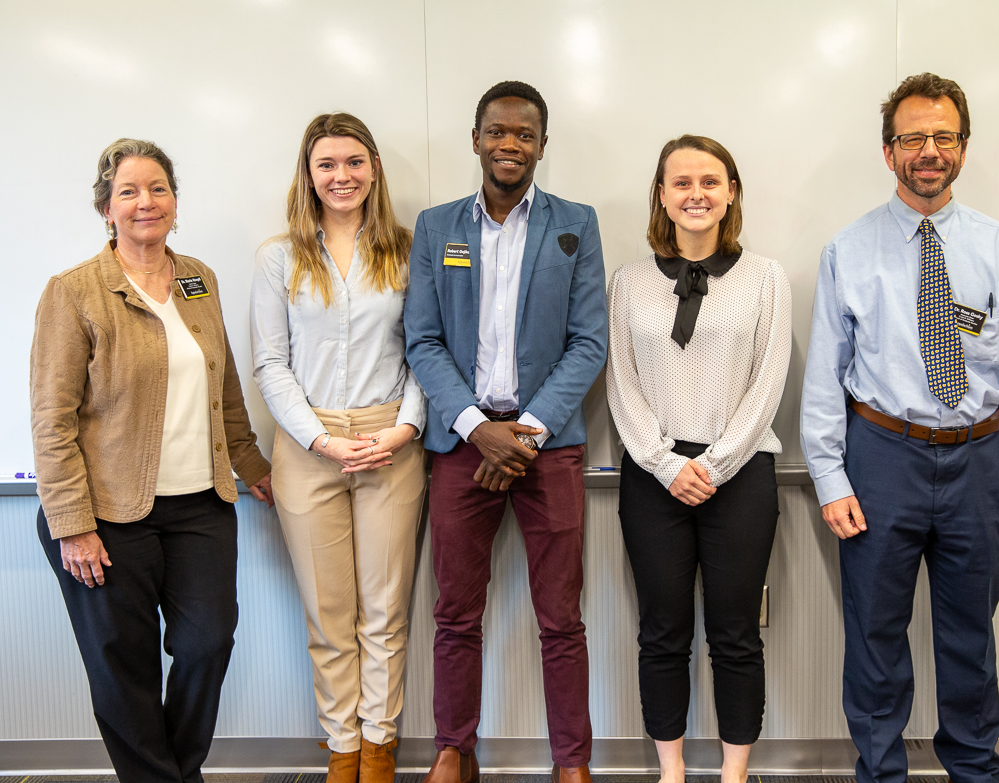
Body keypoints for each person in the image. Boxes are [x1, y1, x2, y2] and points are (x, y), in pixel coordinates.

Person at [800, 73, 999, 783]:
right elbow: (825, 376)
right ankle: (880, 774)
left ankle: (974, 772)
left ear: (964, 149)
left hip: (981, 461)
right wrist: (829, 478)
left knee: (970, 643)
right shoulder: (846, 251)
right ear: (889, 153)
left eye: (943, 136)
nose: (929, 150)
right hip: (880, 459)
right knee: (876, 642)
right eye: (913, 137)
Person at [31, 138, 274, 783]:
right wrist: (71, 523)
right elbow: (51, 420)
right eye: (129, 192)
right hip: (106, 515)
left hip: (201, 505)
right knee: (125, 665)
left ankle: (175, 772)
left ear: (175, 200)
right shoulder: (74, 292)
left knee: (206, 644)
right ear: (106, 208)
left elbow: (223, 388)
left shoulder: (198, 278)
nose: (146, 202)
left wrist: (253, 466)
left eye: (158, 188)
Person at [403, 80, 607, 783]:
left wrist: (522, 433)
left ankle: (571, 763)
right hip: (460, 449)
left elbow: (588, 343)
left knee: (561, 618)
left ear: (542, 145)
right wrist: (474, 428)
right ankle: (454, 749)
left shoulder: (576, 223)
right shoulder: (437, 228)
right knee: (455, 612)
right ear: (476, 139)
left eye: (524, 134)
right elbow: (422, 340)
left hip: (547, 447)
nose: (510, 144)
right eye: (497, 131)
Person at [606, 135, 791, 783]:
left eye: (710, 181)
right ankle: (672, 772)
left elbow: (768, 383)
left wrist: (715, 463)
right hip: (653, 475)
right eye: (681, 182)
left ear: (731, 191)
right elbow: (621, 385)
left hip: (739, 476)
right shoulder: (628, 282)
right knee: (663, 631)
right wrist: (664, 463)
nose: (696, 194)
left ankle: (735, 773)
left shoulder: (766, 278)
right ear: (661, 194)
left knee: (736, 633)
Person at [250, 113, 427, 783]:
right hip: (307, 445)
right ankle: (343, 751)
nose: (341, 176)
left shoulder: (411, 251)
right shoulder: (279, 257)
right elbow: (270, 364)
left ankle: (379, 749)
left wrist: (403, 430)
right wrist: (322, 439)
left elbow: (426, 355)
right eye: (327, 164)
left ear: (374, 168)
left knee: (385, 612)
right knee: (329, 617)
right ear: (309, 174)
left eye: (354, 162)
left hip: (392, 442)